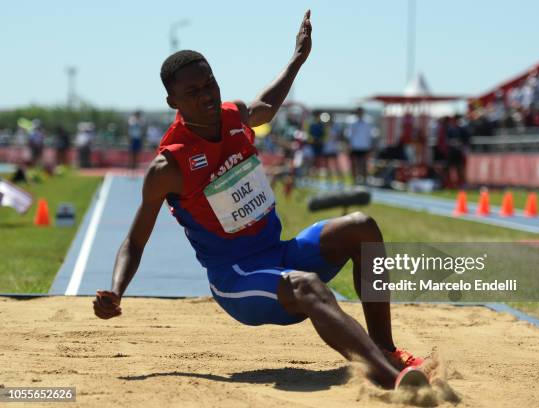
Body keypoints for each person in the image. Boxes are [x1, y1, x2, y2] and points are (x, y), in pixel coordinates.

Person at [92, 10, 427, 390]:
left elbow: (267, 104)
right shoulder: (168, 165)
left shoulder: (235, 116)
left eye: (209, 84)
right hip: (237, 278)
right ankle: (392, 382)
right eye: (193, 92)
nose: (206, 96)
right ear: (173, 102)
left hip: (279, 253)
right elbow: (136, 241)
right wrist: (116, 292)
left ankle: (386, 350)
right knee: (308, 285)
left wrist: (297, 59)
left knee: (361, 226)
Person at [346, 107, 373, 185]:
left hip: (364, 146)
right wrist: (348, 145)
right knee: (354, 163)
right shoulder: (352, 122)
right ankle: (355, 179)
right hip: (354, 146)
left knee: (364, 163)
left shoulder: (368, 121)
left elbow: (370, 135)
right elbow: (349, 134)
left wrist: (371, 145)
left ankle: (364, 179)